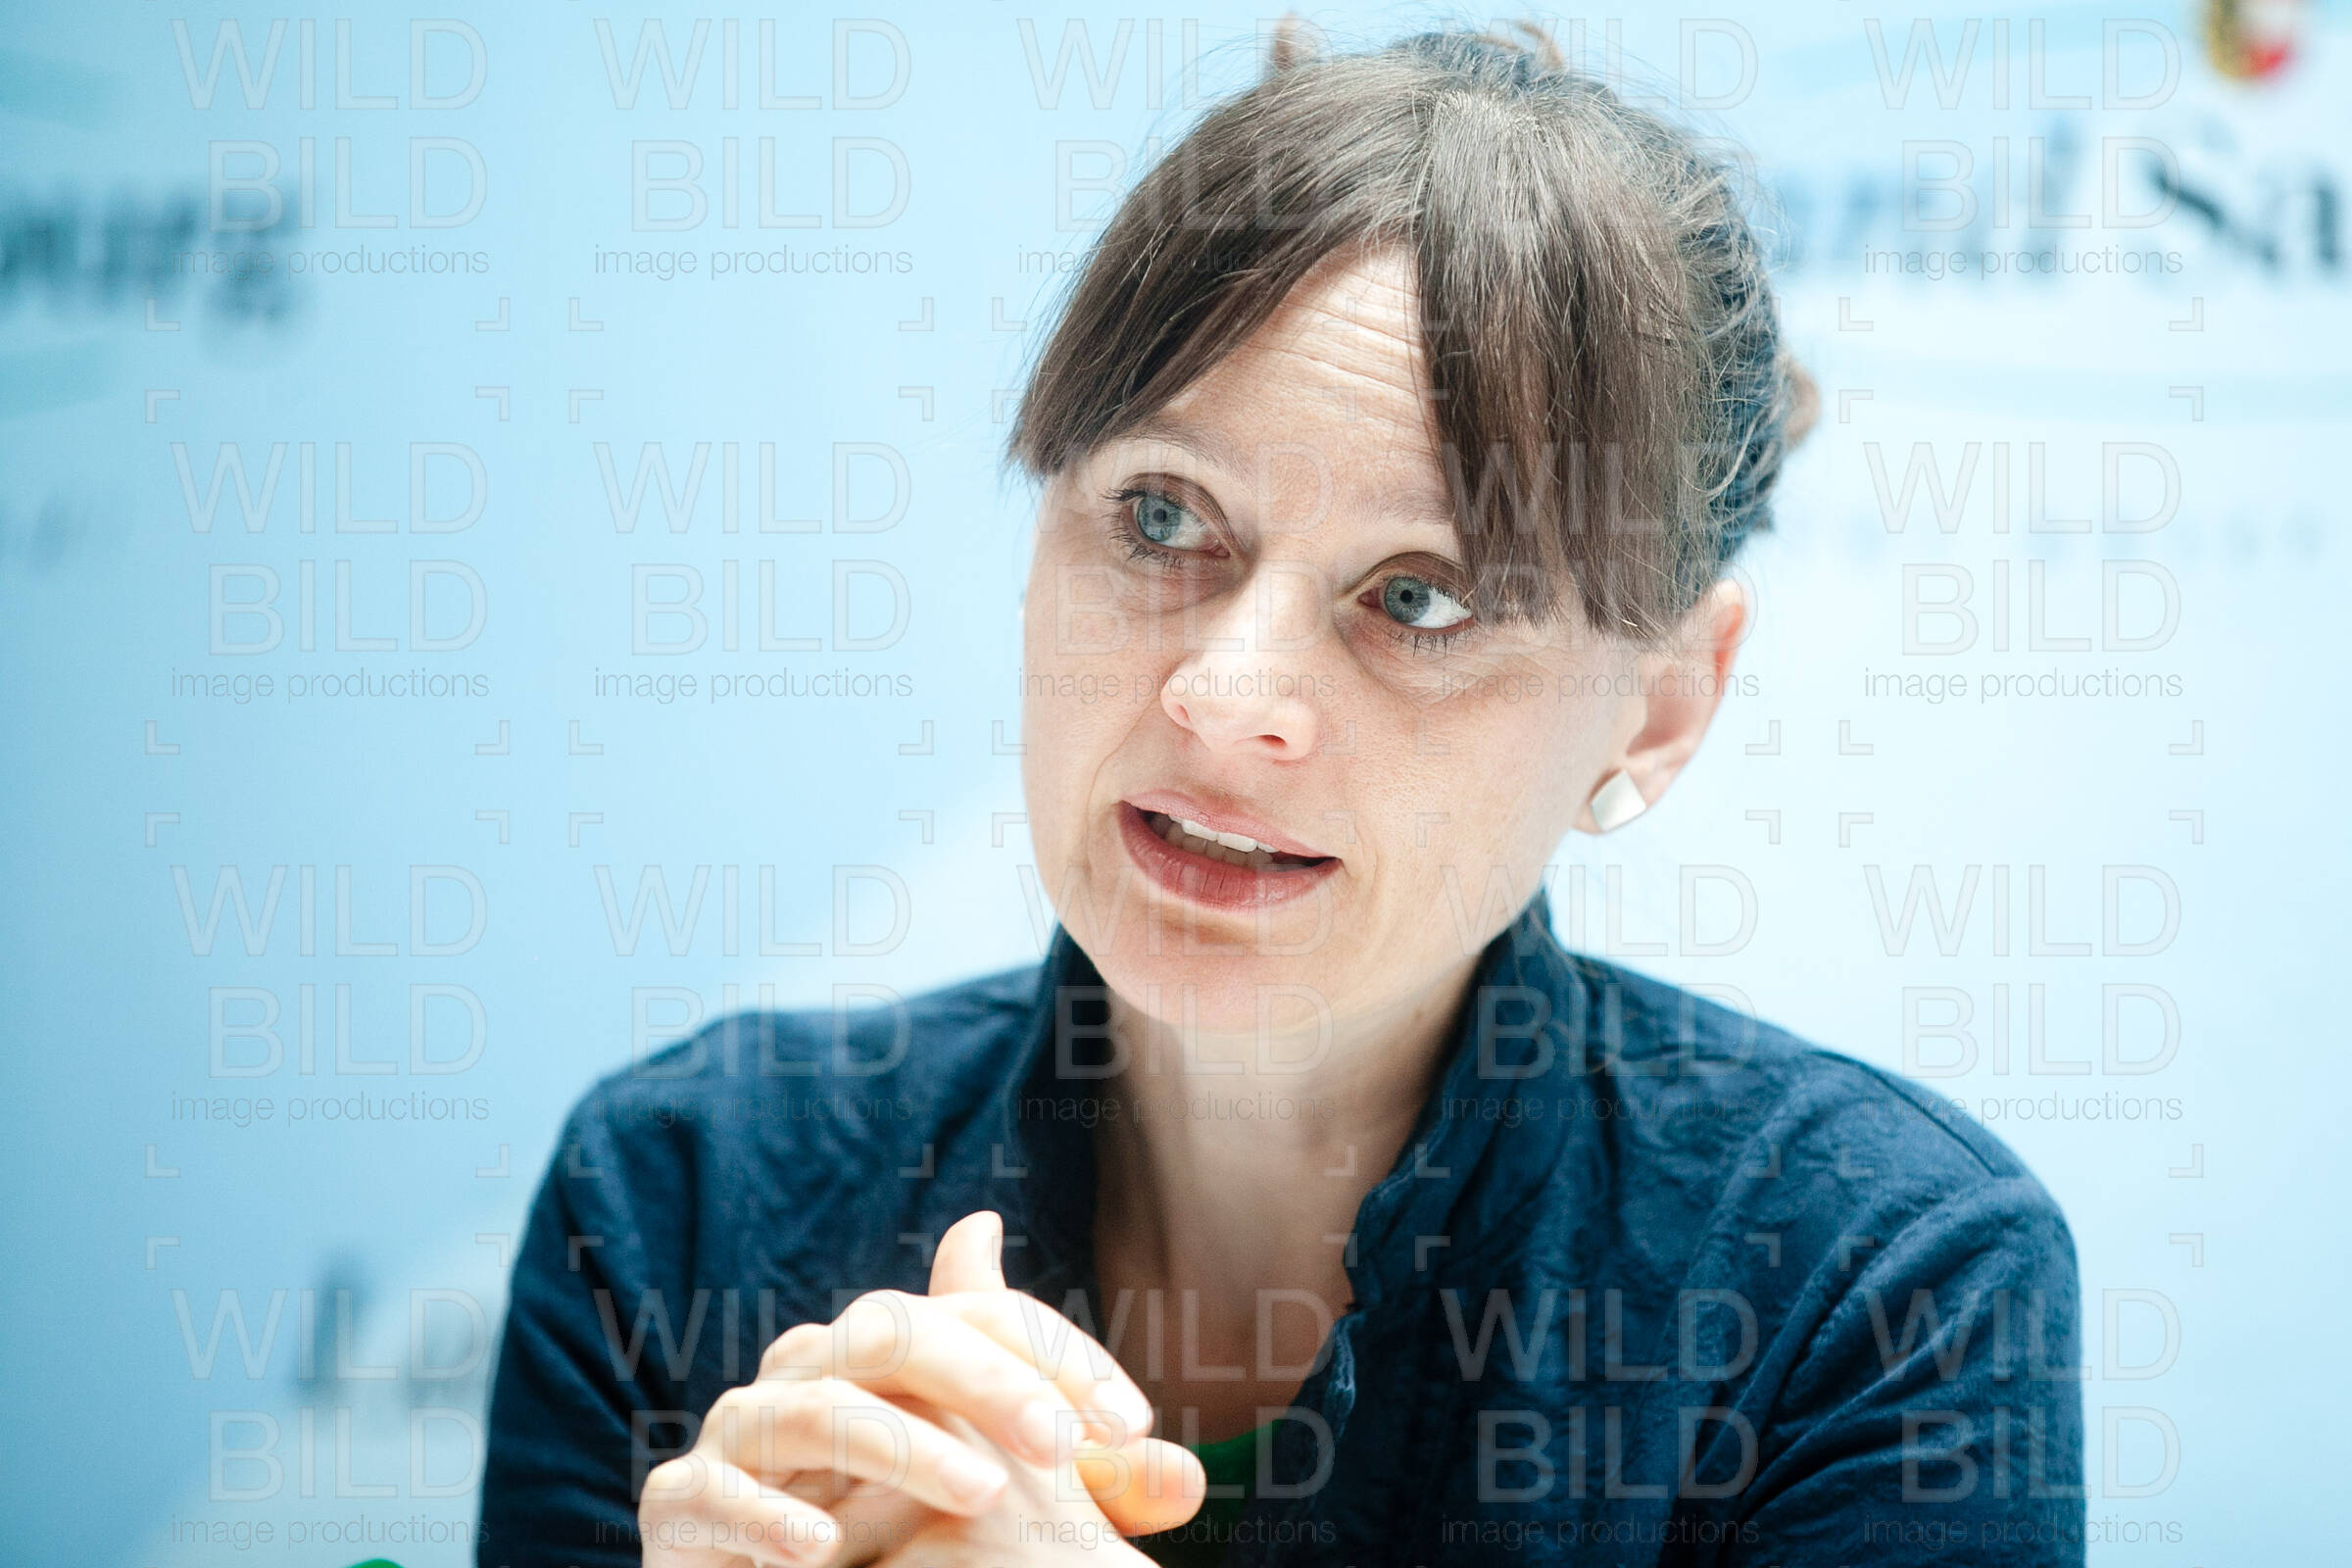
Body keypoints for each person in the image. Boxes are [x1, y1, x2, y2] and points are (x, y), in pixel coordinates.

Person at [480, 21, 2083, 1567]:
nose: (1226, 694)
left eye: (1420, 598)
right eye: (1163, 517)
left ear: (1660, 707)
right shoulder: (681, 1197)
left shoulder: (1877, 1289)